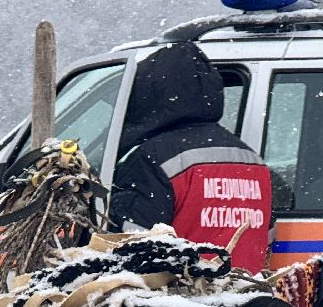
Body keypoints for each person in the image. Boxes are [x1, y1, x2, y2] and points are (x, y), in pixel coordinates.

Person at [109, 42, 272, 272]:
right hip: (245, 296)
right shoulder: (253, 160)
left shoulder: (152, 159)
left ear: (149, 94)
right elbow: (265, 238)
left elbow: (129, 246)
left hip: (180, 299)